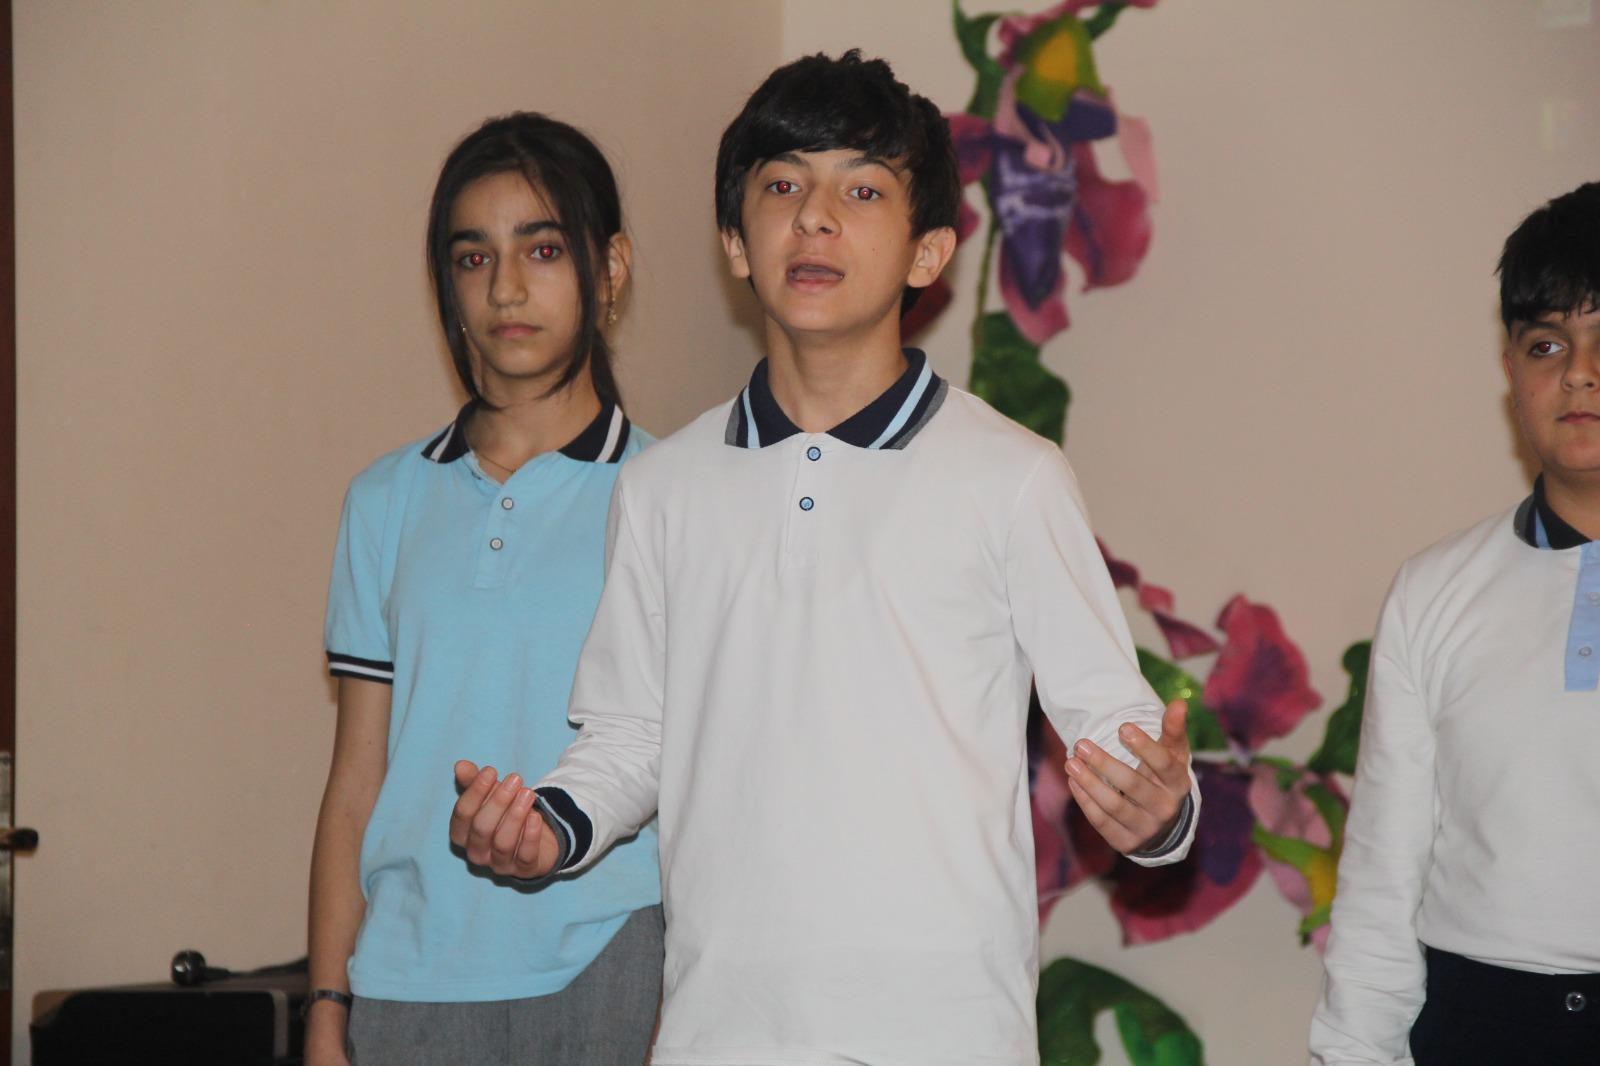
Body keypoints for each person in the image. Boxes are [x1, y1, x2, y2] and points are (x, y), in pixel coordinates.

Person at [451, 52, 1197, 1066]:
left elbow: (1114, 728)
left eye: (862, 190)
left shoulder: (1012, 478)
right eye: (781, 187)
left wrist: (1158, 808)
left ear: (928, 253)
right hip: (723, 1034)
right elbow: (631, 733)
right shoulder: (664, 488)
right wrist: (548, 824)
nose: (813, 218)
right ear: (735, 242)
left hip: (946, 1035)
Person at [305, 112, 662, 1066]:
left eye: (543, 249)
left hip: (614, 966)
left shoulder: (672, 492)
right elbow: (356, 780)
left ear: (610, 268)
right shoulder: (384, 499)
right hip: (409, 980)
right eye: (474, 258)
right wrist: (327, 1005)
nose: (506, 287)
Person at [1310, 182, 1600, 1065]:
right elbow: (1381, 884)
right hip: (1480, 1025)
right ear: (1511, 370)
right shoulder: (1434, 591)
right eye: (1547, 343)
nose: (1578, 372)